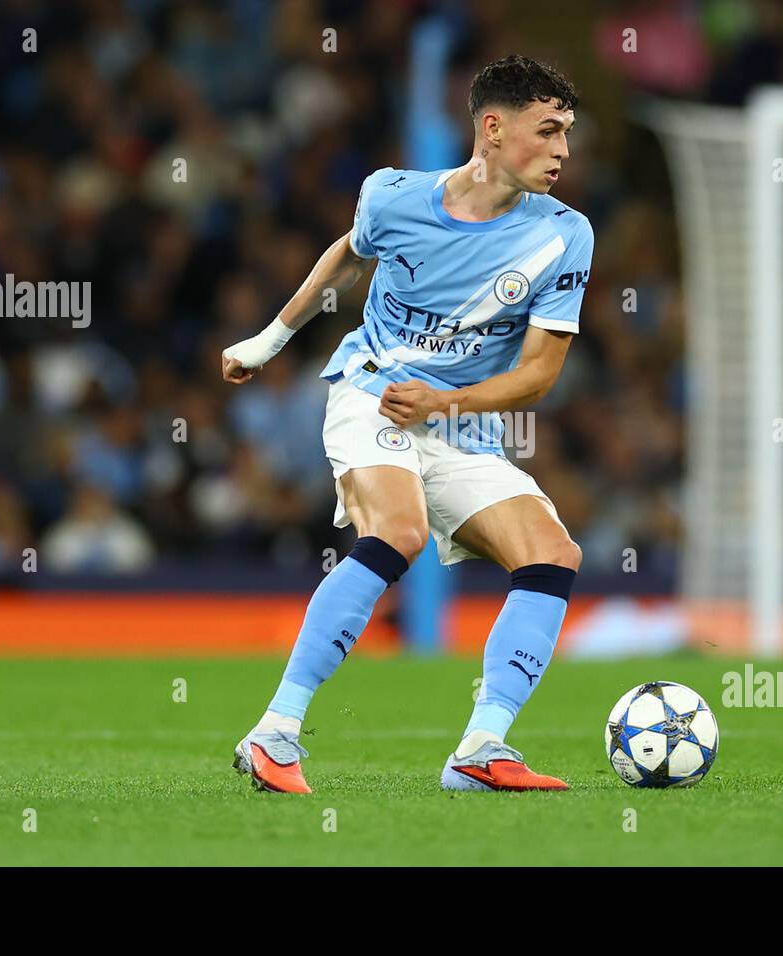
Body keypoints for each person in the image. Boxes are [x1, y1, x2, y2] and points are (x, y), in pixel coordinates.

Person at [222, 55, 593, 793]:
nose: (563, 151)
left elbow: (539, 374)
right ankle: (275, 732)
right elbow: (346, 259)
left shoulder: (564, 235)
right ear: (493, 128)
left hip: (453, 420)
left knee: (553, 553)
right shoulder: (392, 196)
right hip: (372, 397)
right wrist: (269, 341)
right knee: (398, 531)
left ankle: (481, 749)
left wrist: (444, 403)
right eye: (548, 131)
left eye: (567, 134)